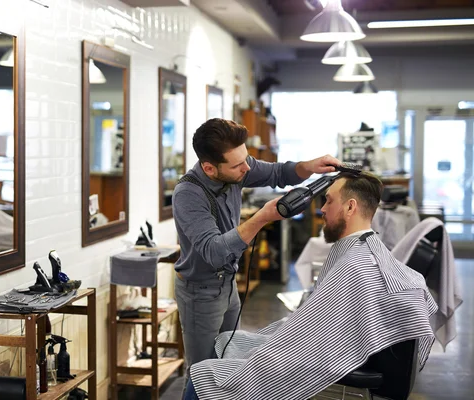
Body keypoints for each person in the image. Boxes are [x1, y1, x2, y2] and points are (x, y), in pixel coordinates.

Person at [184, 172, 438, 400]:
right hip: (327, 345)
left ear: (350, 207)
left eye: (328, 201)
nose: (322, 210)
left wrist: (281, 342)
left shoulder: (358, 264)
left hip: (325, 357)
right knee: (229, 340)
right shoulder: (363, 252)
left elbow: (320, 336)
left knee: (203, 375)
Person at [172, 118, 341, 396]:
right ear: (209, 168)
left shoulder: (236, 166)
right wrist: (262, 217)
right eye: (238, 165)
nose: (247, 168)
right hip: (200, 293)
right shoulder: (188, 194)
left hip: (228, 285)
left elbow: (277, 173)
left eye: (245, 159)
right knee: (202, 374)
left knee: (231, 362)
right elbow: (214, 251)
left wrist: (310, 167)